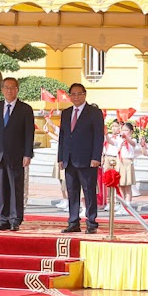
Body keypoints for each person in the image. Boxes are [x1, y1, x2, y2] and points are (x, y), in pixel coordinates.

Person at [0, 76, 34, 231]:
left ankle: (15, 219)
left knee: (15, 188)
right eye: (7, 87)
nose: (10, 90)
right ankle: (2, 219)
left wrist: (27, 154)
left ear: (17, 90)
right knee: (2, 187)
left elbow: (29, 134)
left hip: (17, 155)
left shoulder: (25, 109)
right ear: (2, 90)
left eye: (13, 87)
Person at [57, 83, 103, 234]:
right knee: (72, 191)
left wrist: (96, 157)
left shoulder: (94, 112)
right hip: (69, 159)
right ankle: (73, 221)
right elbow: (62, 137)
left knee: (89, 191)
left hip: (87, 159)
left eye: (79, 94)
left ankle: (91, 222)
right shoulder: (66, 113)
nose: (76, 97)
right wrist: (60, 157)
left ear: (85, 94)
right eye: (73, 94)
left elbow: (98, 137)